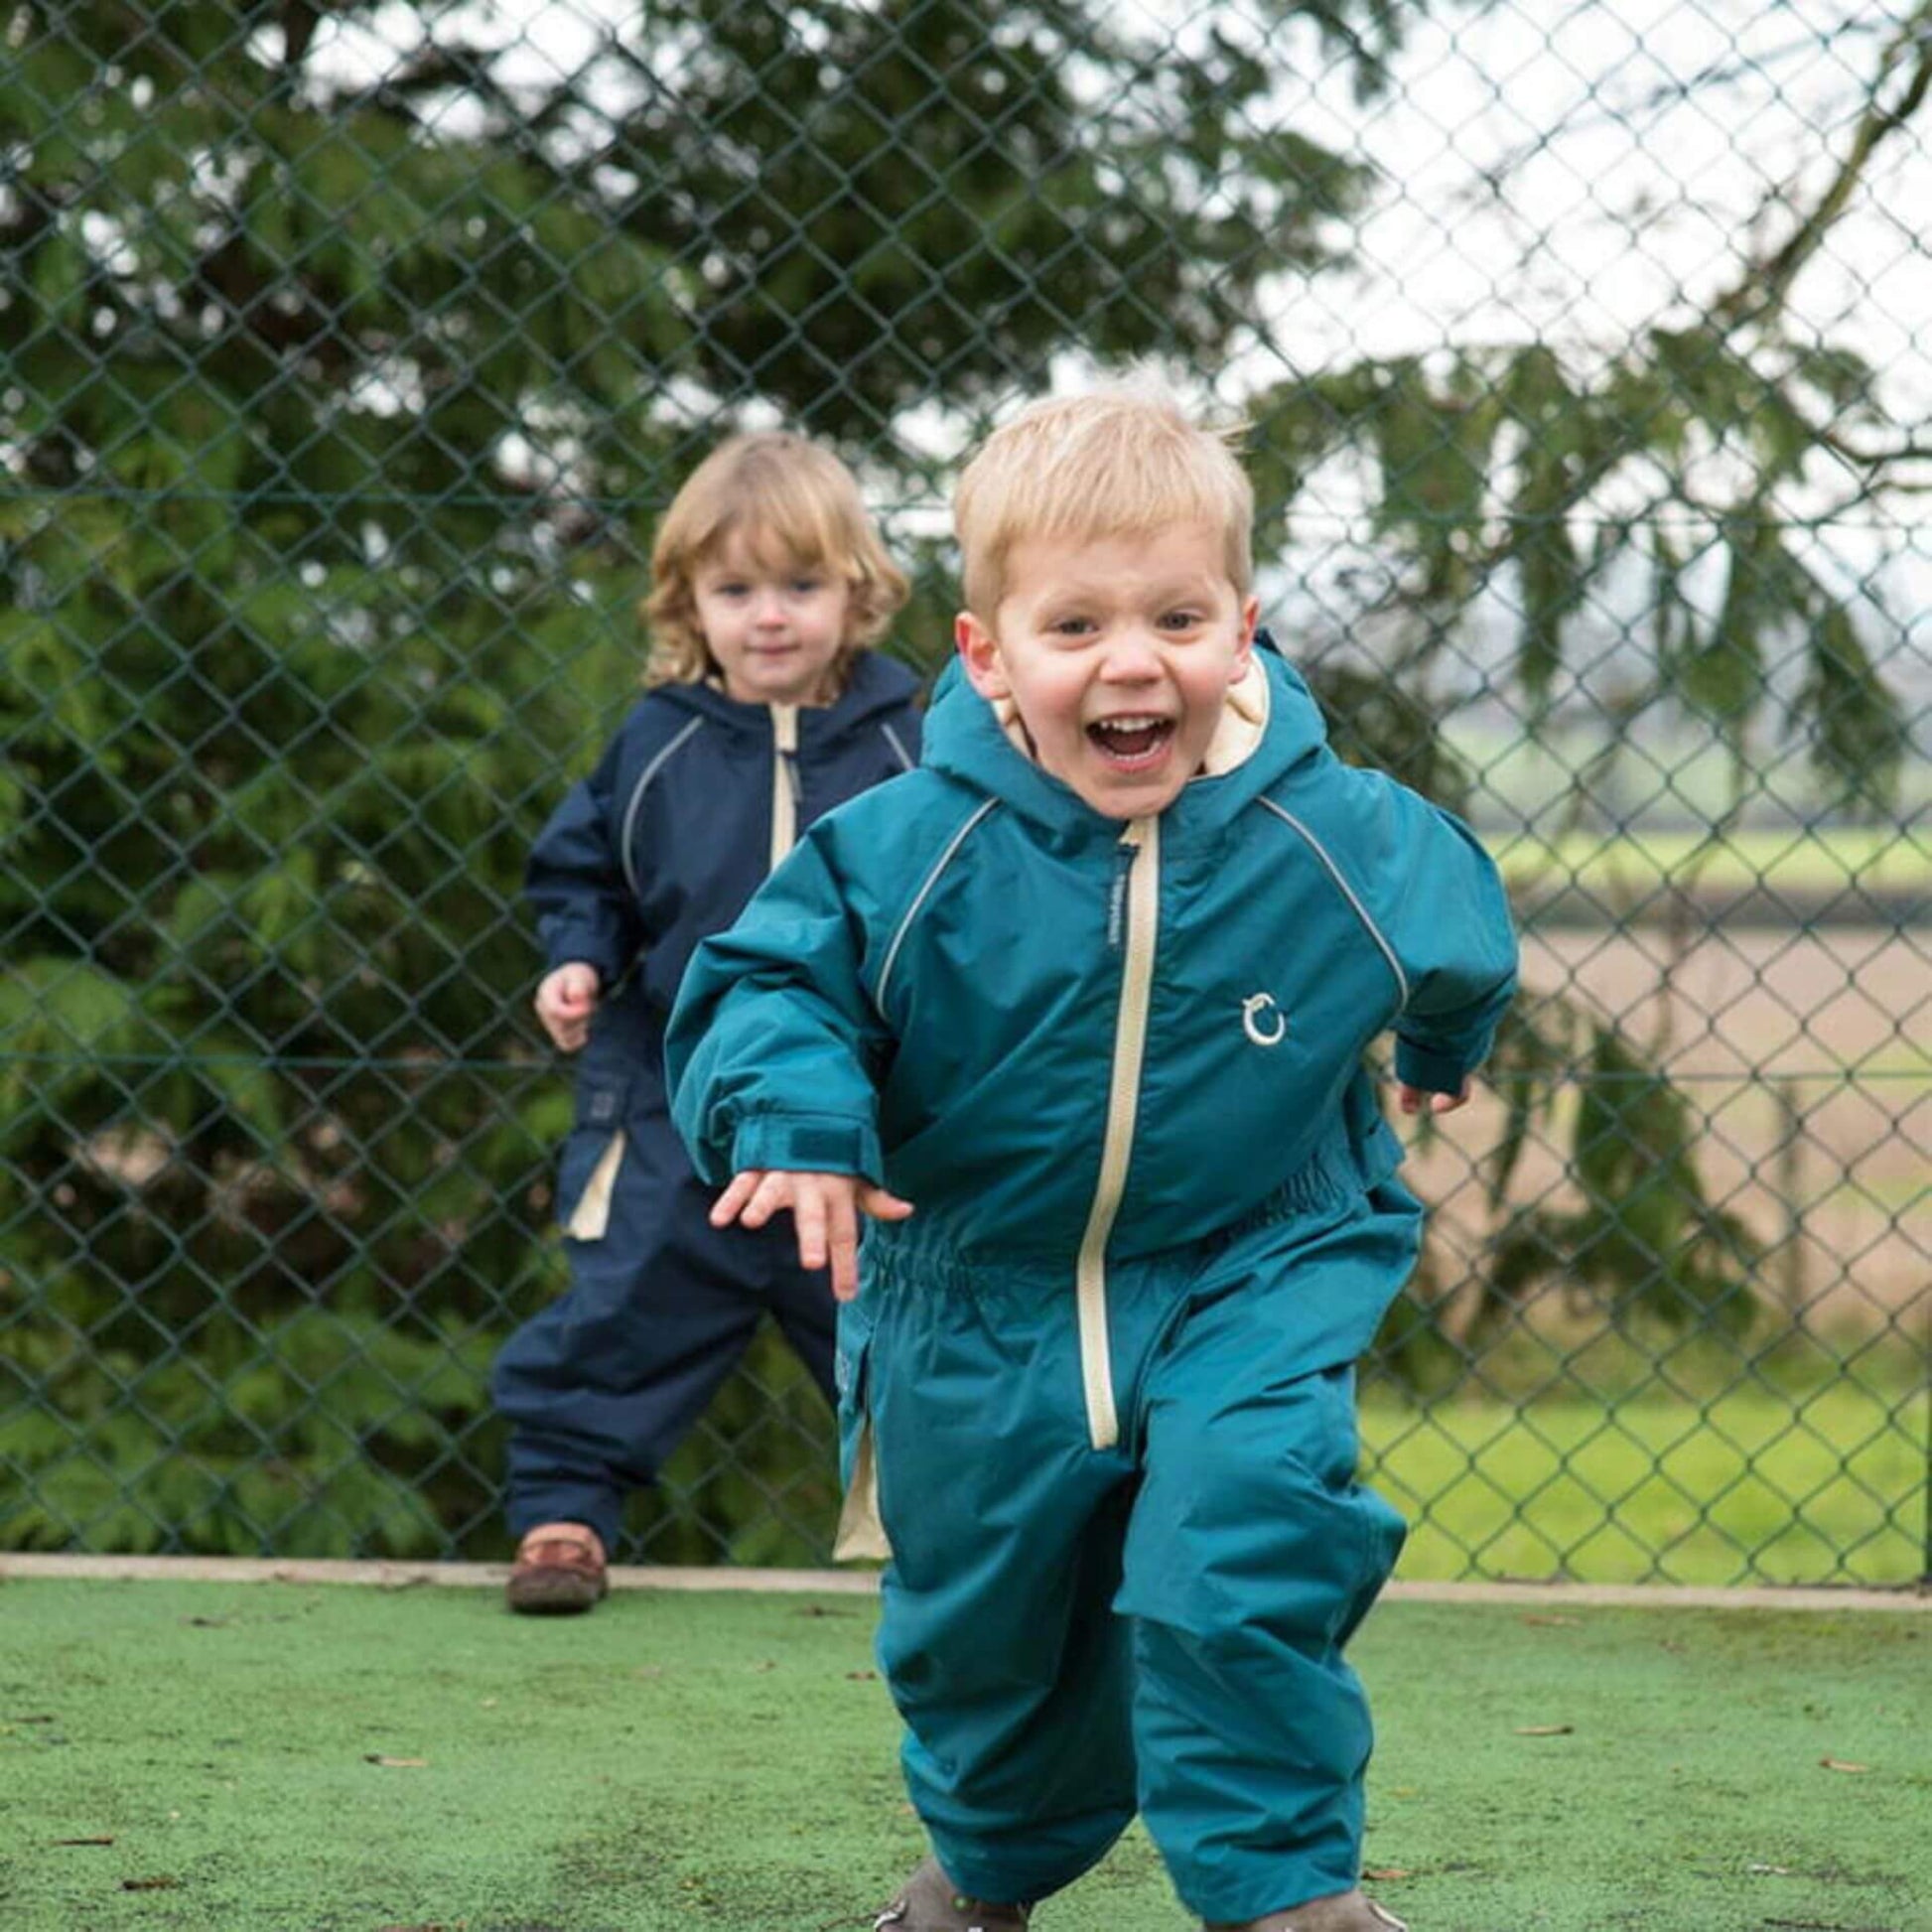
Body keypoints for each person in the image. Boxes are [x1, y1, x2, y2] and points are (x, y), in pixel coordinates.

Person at [665, 389, 1518, 1932]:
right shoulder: (904, 845)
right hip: (969, 1282)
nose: (1134, 661)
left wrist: (1442, 1047)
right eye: (1076, 626)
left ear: (1242, 631)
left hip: (1252, 1254)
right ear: (989, 657)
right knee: (980, 1624)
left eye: (1177, 616)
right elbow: (765, 985)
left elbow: (1461, 929)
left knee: (1241, 1539)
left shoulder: (1336, 834)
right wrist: (795, 1126)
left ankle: (1286, 1890)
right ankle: (985, 1867)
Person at [491, 431, 922, 1616]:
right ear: (689, 602)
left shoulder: (914, 743)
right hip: (670, 1101)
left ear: (858, 589)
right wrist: (578, 962)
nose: (769, 617)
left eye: (799, 586)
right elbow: (584, 871)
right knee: (622, 1301)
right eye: (736, 591)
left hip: (860, 1110)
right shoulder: (658, 741)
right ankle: (565, 1515)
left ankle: (952, 1542)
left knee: (901, 1319)